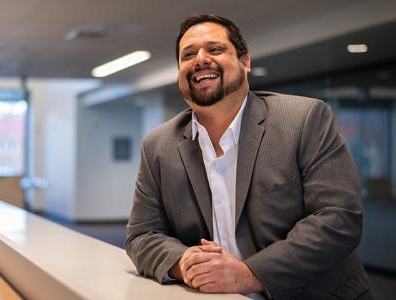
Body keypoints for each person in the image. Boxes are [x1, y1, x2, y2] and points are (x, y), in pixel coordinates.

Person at [125, 14, 372, 300]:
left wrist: (248, 274)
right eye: (188, 54)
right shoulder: (158, 146)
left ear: (245, 62)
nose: (200, 59)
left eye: (215, 49)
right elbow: (142, 235)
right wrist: (186, 263)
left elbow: (338, 218)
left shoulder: (304, 119)